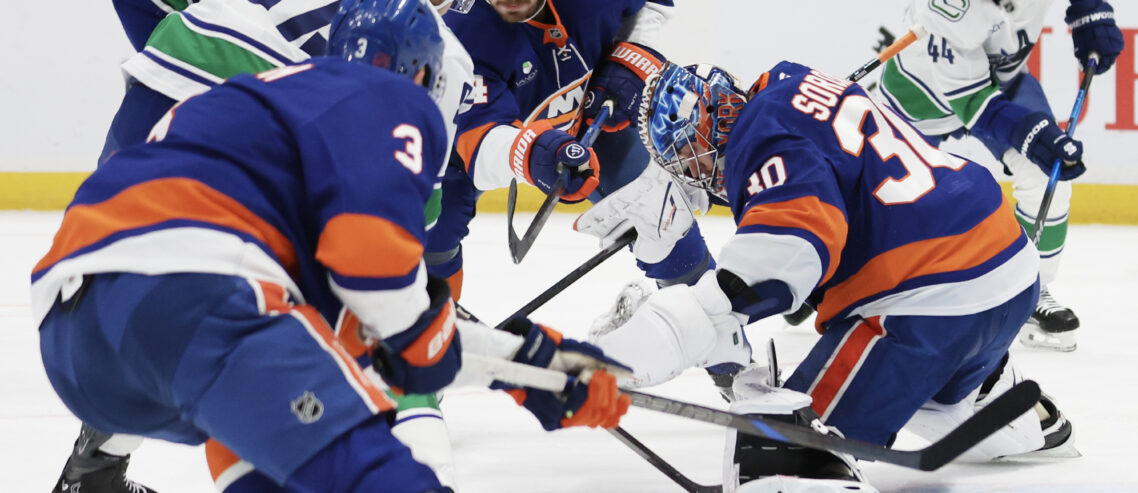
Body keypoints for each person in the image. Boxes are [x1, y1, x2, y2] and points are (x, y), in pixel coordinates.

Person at [34, 1, 628, 492]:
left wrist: (528, 365)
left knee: (279, 459)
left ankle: (96, 467)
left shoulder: (266, 117)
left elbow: (365, 325)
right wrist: (471, 355)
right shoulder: (382, 97)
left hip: (76, 337)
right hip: (198, 300)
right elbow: (379, 287)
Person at [585, 61, 1076, 491]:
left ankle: (953, 388)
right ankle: (997, 395)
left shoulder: (761, 139)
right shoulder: (792, 83)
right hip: (1007, 263)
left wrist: (657, 337)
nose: (699, 166)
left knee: (780, 446)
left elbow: (788, 247)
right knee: (932, 390)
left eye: (691, 150)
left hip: (930, 296)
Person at [875, 0, 1125, 351]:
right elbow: (974, 104)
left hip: (1004, 83)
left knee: (1046, 174)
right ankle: (830, 277)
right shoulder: (947, 8)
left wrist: (1090, 8)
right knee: (880, 199)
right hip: (921, 95)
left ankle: (1031, 288)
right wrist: (1031, 135)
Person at [430, 0, 716, 303]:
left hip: (587, 115)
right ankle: (428, 326)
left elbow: (653, 4)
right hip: (459, 149)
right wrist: (532, 153)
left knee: (660, 214)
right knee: (429, 230)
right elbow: (477, 137)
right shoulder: (459, 34)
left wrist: (634, 50)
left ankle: (708, 322)